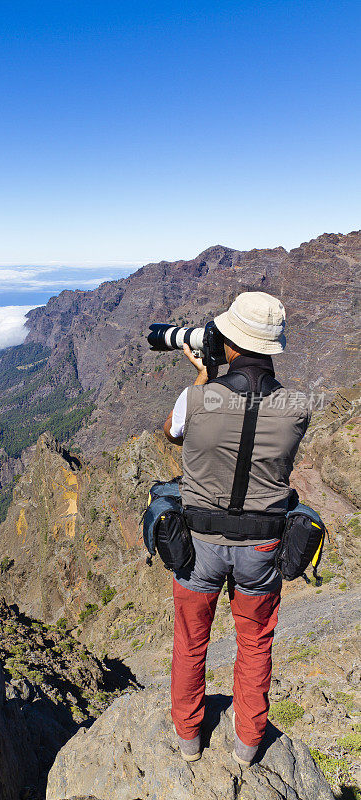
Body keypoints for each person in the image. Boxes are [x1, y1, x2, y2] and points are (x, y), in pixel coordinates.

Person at [163, 291, 311, 767]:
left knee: (190, 641)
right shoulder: (298, 407)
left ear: (228, 342)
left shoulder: (198, 398)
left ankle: (189, 738)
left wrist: (205, 378)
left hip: (199, 544)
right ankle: (248, 745)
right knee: (255, 643)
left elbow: (171, 430)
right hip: (262, 546)